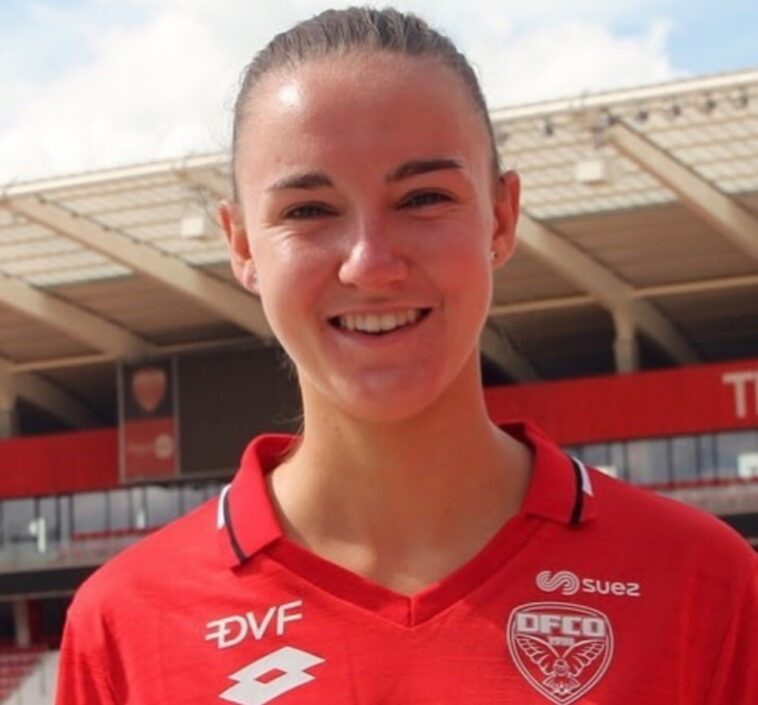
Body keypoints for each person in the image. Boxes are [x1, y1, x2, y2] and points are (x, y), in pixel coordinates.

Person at [56, 7, 756, 705]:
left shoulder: (700, 584)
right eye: (308, 210)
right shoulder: (126, 624)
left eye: (424, 197)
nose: (370, 263)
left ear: (501, 218)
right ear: (242, 245)